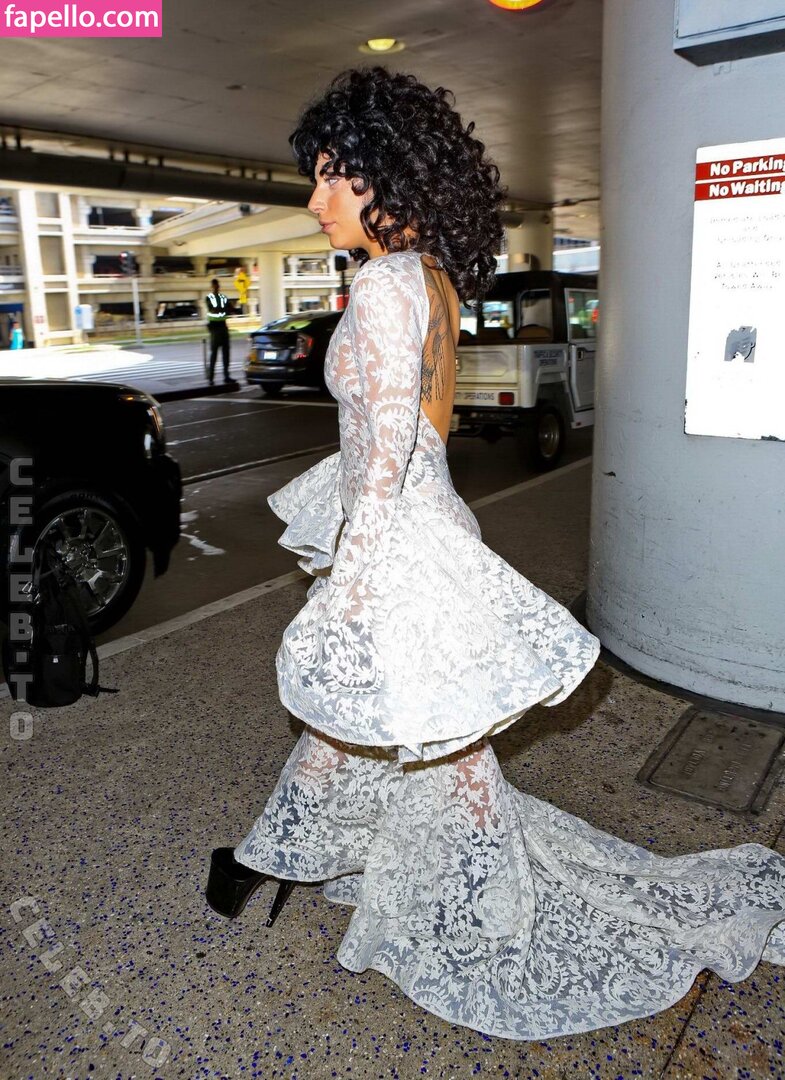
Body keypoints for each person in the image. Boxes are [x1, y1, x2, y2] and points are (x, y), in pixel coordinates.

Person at [205, 68, 785, 1040]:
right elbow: (411, 440)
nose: (313, 199)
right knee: (380, 729)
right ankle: (266, 861)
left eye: (332, 176)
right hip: (420, 531)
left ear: (387, 176)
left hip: (396, 546)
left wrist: (352, 587)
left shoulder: (384, 284)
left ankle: (481, 907)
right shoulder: (428, 276)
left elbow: (386, 453)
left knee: (437, 746)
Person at [205, 278, 231, 383]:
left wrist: (222, 309)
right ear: (212, 287)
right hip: (215, 327)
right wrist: (223, 309)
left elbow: (229, 309)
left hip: (222, 326)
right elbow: (213, 309)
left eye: (217, 285)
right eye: (214, 286)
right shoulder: (209, 297)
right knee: (214, 353)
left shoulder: (223, 297)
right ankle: (211, 377)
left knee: (226, 353)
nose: (216, 287)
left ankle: (226, 376)